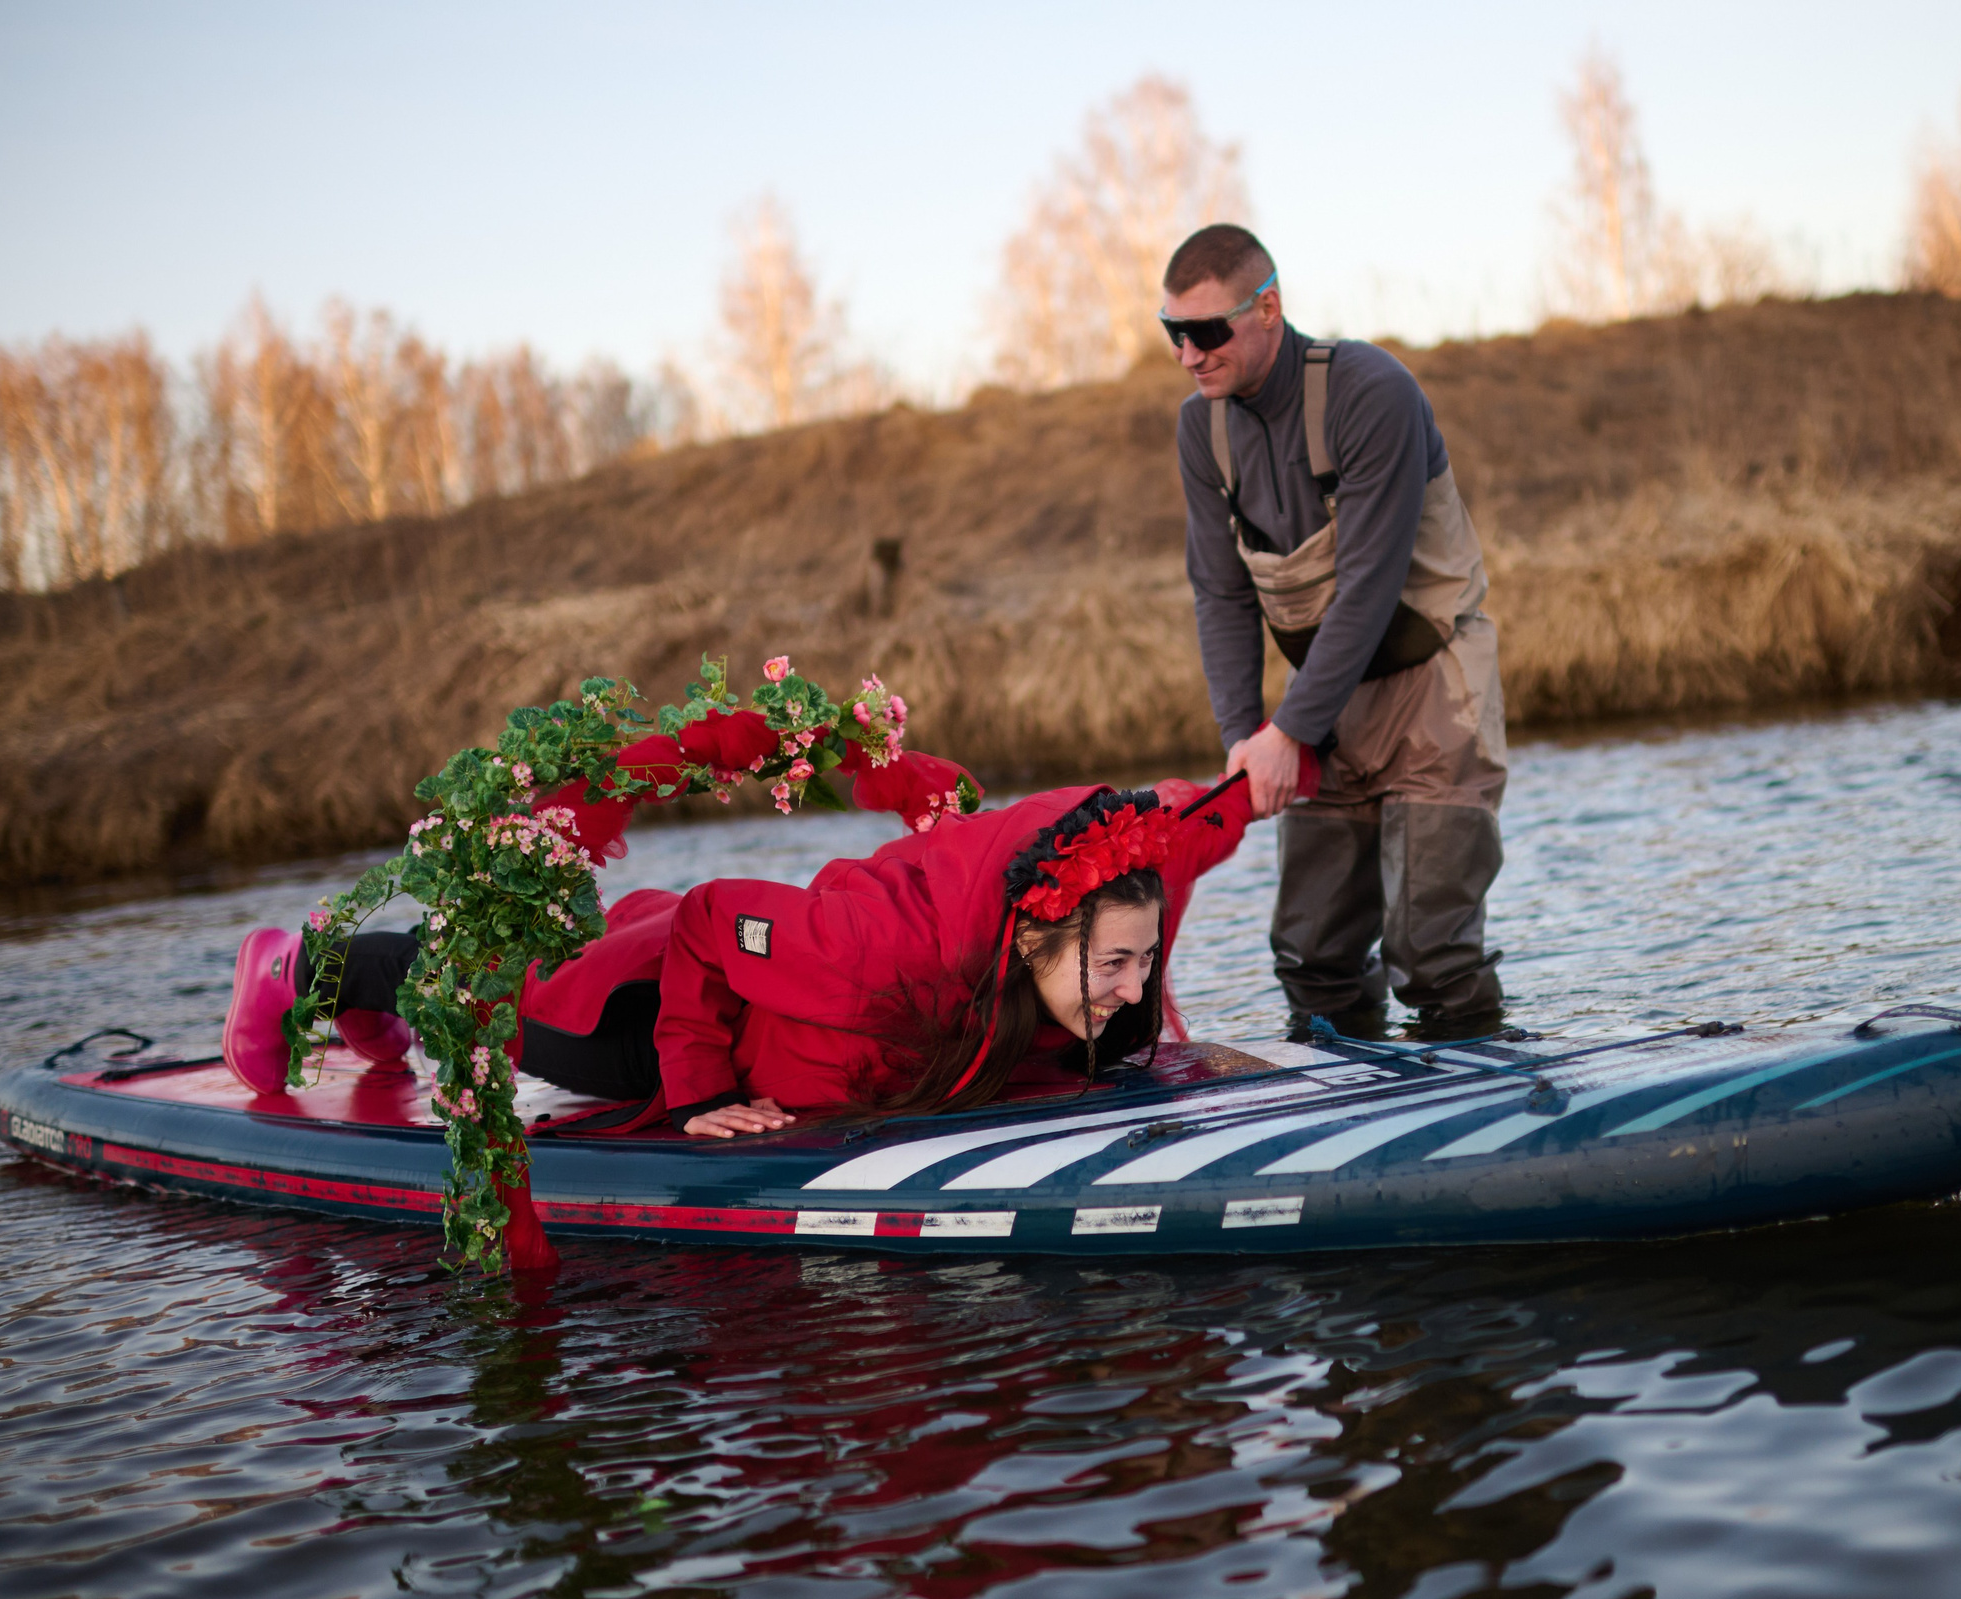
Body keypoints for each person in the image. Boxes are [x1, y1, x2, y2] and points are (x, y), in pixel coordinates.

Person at [218, 777, 1252, 1133]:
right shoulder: (879, 954)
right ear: (1032, 936)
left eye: (1142, 965)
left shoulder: (1049, 954)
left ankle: (365, 996)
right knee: (482, 990)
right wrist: (697, 1090)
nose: (1131, 991)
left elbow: (1176, 821)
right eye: (1113, 966)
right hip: (643, 1022)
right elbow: (715, 918)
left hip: (767, 1013)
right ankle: (301, 967)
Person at [1163, 224, 1508, 1041]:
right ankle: (1353, 1117)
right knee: (1312, 959)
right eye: (1172, 333)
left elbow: (1370, 585)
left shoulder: (1369, 389)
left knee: (1430, 956)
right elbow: (1219, 592)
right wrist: (1246, 737)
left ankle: (1480, 1112)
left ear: (1269, 308)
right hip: (1321, 710)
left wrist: (1290, 729)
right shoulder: (1199, 430)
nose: (1188, 355)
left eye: (1207, 331)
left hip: (1433, 692)